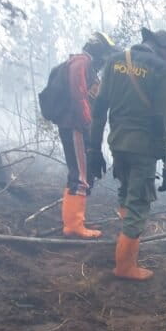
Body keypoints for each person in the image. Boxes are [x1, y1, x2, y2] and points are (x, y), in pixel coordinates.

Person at [88, 28, 166, 281]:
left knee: (126, 194)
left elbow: (98, 109)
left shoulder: (114, 61)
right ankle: (125, 266)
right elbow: (164, 122)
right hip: (144, 149)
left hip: (117, 144)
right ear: (165, 50)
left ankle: (126, 249)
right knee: (138, 203)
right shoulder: (162, 71)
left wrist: (94, 148)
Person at [58, 32, 117, 239]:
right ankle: (74, 226)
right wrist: (87, 123)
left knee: (79, 173)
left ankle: (74, 222)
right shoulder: (81, 62)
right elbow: (78, 94)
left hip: (77, 125)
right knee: (81, 176)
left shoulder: (84, 64)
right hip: (76, 126)